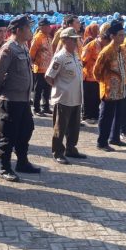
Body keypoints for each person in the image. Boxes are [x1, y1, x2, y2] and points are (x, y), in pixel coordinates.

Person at [0, 15, 41, 182]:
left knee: (27, 129)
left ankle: (22, 161)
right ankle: (5, 167)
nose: (31, 31)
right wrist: (0, 92)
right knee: (9, 135)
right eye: (28, 28)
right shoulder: (8, 48)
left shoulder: (23, 47)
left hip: (23, 99)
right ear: (18, 30)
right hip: (11, 99)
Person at [45, 27, 85, 164]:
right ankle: (57, 151)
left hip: (76, 97)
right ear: (64, 40)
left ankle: (71, 148)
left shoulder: (75, 55)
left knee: (74, 126)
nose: (76, 42)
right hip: (63, 98)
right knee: (60, 127)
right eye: (73, 40)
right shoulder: (60, 57)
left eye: (76, 40)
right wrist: (60, 88)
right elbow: (49, 77)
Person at [93, 21, 126, 152]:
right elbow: (96, 71)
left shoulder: (121, 50)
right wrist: (106, 82)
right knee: (106, 116)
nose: (122, 37)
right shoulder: (106, 51)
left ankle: (115, 138)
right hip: (109, 89)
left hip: (120, 89)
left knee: (118, 115)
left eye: (123, 35)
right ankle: (102, 142)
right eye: (120, 35)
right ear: (112, 36)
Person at [80, 23, 109, 125]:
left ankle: (95, 115)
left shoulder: (104, 47)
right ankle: (87, 116)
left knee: (97, 98)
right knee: (88, 98)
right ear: (102, 38)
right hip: (88, 76)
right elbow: (83, 61)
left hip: (99, 78)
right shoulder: (91, 45)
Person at [29, 18, 53, 116]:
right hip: (39, 68)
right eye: (47, 26)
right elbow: (32, 53)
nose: (49, 27)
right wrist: (34, 63)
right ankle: (36, 108)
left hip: (48, 68)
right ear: (41, 27)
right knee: (38, 89)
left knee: (47, 89)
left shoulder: (49, 37)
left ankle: (46, 107)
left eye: (49, 26)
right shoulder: (38, 37)